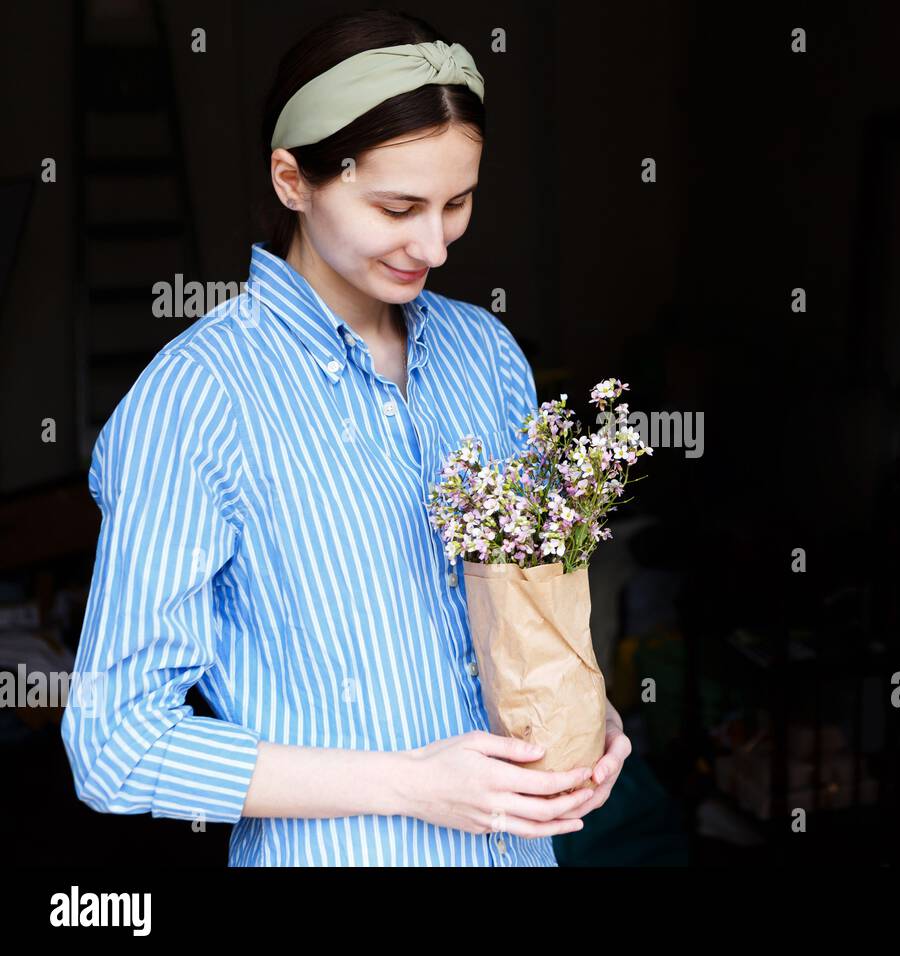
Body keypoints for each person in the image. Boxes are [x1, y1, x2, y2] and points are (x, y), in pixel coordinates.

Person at [60, 9, 630, 866]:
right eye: (398, 207)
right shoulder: (198, 397)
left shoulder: (488, 355)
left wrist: (594, 717)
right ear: (293, 180)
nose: (433, 245)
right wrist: (409, 785)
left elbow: (531, 608)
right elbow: (114, 744)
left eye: (458, 203)